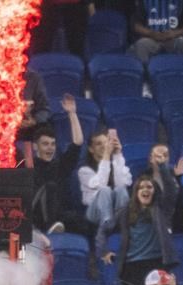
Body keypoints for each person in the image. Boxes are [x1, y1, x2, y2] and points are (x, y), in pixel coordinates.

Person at [99, 146, 181, 285]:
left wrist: (162, 166)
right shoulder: (125, 212)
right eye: (141, 187)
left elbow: (171, 190)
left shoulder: (162, 209)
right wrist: (103, 250)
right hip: (132, 267)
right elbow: (103, 230)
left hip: (156, 263)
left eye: (149, 187)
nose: (146, 190)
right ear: (136, 193)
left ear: (154, 191)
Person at [29, 95, 84, 236]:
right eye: (45, 144)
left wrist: (72, 113)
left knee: (82, 221)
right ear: (35, 147)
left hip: (60, 217)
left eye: (53, 144)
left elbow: (77, 142)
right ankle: (48, 227)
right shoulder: (28, 166)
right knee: (50, 187)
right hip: (35, 217)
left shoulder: (60, 165)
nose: (50, 148)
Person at [78, 129, 131, 230]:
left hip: (115, 210)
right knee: (105, 190)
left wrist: (117, 154)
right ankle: (107, 224)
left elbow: (122, 184)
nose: (104, 146)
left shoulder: (114, 163)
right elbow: (100, 185)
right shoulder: (84, 170)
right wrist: (106, 155)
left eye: (106, 142)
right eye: (99, 144)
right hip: (94, 212)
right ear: (91, 149)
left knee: (121, 189)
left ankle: (124, 223)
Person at [128, 0, 183, 64]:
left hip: (174, 38)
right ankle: (145, 74)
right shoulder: (145, 1)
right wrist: (151, 33)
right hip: (151, 39)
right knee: (141, 44)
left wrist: (175, 33)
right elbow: (135, 25)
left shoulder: (180, 2)